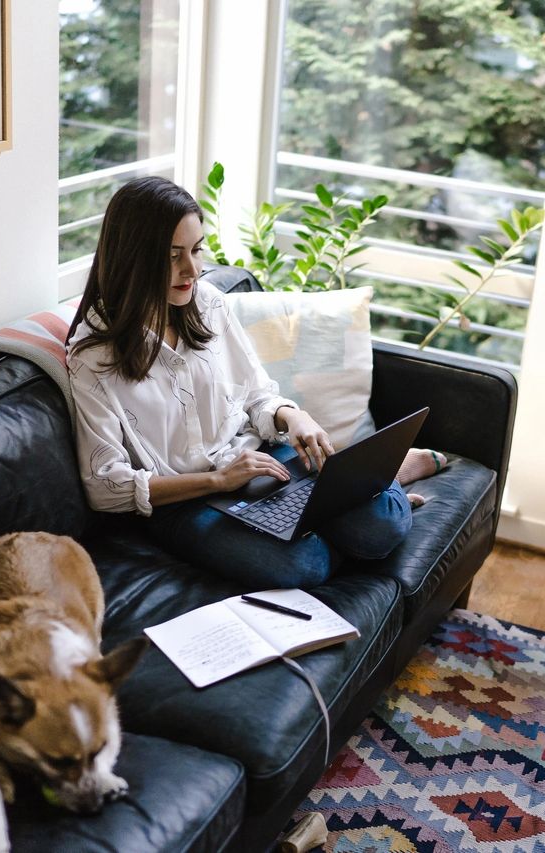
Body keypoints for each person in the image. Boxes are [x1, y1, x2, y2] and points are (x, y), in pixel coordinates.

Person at [65, 177, 445, 589]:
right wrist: (217, 480)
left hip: (260, 458)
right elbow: (105, 485)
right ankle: (366, 499)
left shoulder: (207, 303)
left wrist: (292, 416)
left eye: (196, 249)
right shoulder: (92, 357)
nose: (192, 270)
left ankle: (380, 487)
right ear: (132, 258)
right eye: (173, 256)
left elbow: (258, 395)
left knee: (380, 528)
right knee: (304, 565)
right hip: (183, 502)